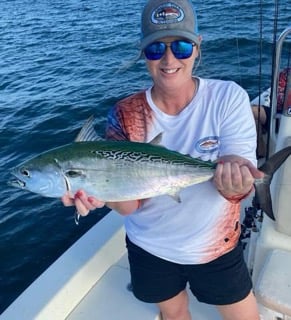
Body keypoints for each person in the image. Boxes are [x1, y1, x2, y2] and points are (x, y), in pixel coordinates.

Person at [62, 0, 264, 319]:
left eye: (181, 46)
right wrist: (97, 189)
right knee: (172, 315)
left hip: (216, 246)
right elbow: (131, 205)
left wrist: (238, 183)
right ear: (143, 53)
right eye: (156, 49)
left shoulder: (228, 97)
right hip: (150, 249)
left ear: (198, 48)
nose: (169, 59)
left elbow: (236, 190)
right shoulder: (125, 114)